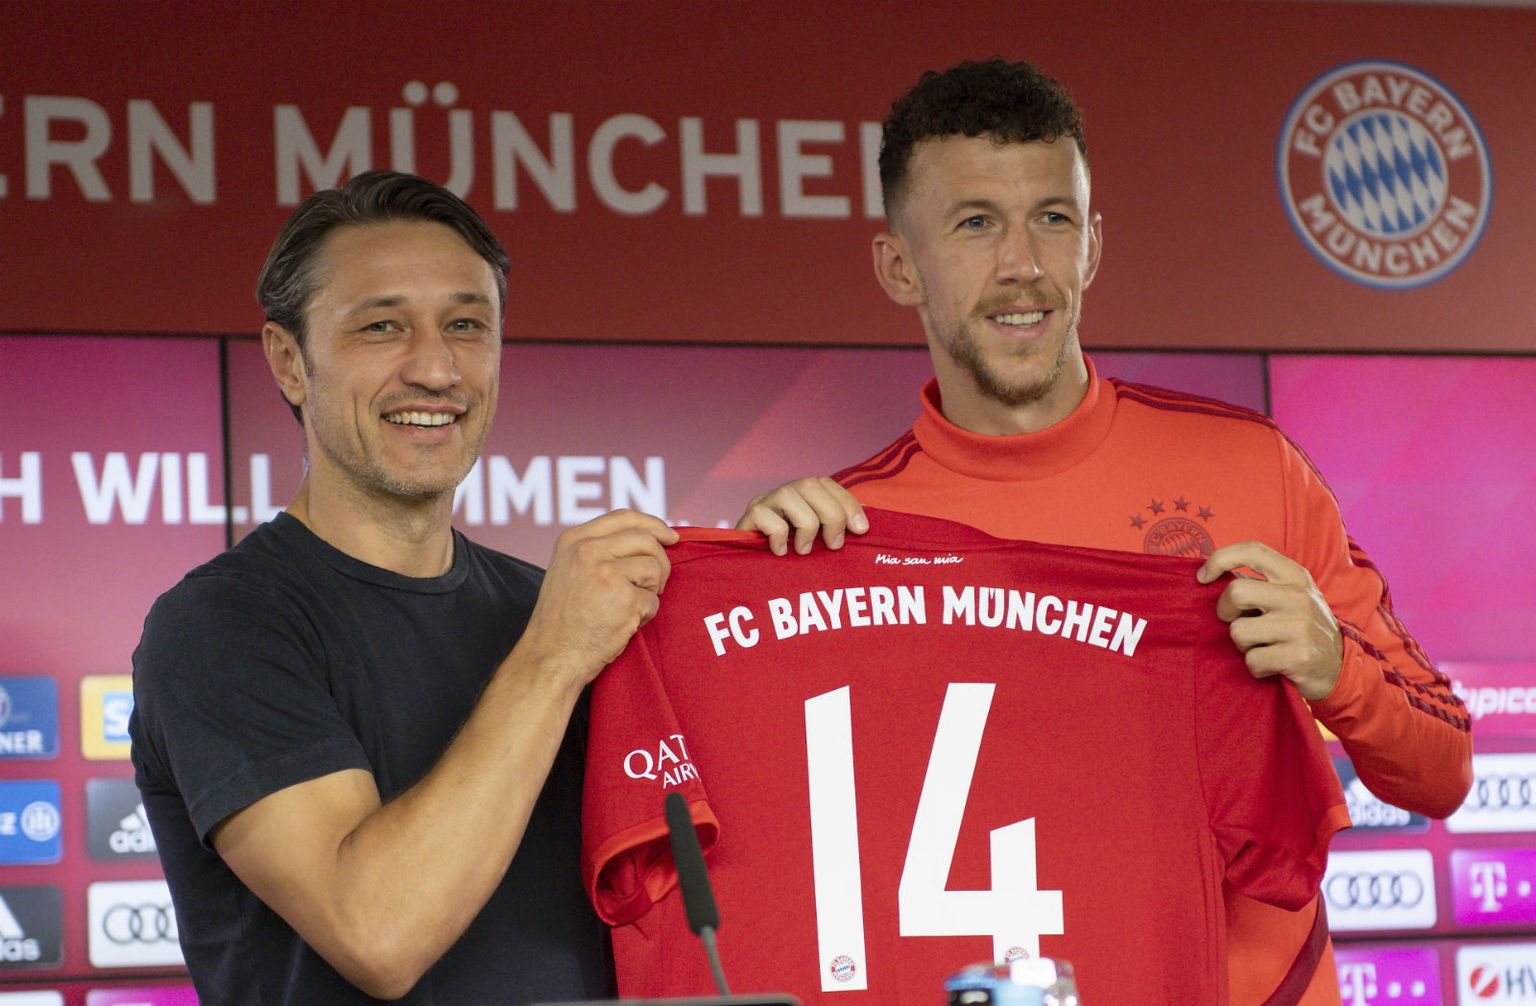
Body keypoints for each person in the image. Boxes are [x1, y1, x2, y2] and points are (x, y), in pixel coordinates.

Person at [736, 59, 1472, 1005]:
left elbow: (1445, 771)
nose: (1022, 265)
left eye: (1052, 218)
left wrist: (1340, 670)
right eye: (974, 224)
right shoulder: (841, 538)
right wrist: (756, 595)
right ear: (898, 267)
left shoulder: (1252, 465)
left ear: (1091, 245)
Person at [131, 171, 678, 1005]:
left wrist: (781, 569)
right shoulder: (221, 625)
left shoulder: (549, 612)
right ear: (289, 361)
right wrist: (553, 659)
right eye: (382, 326)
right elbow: (378, 932)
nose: (436, 368)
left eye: (466, 325)